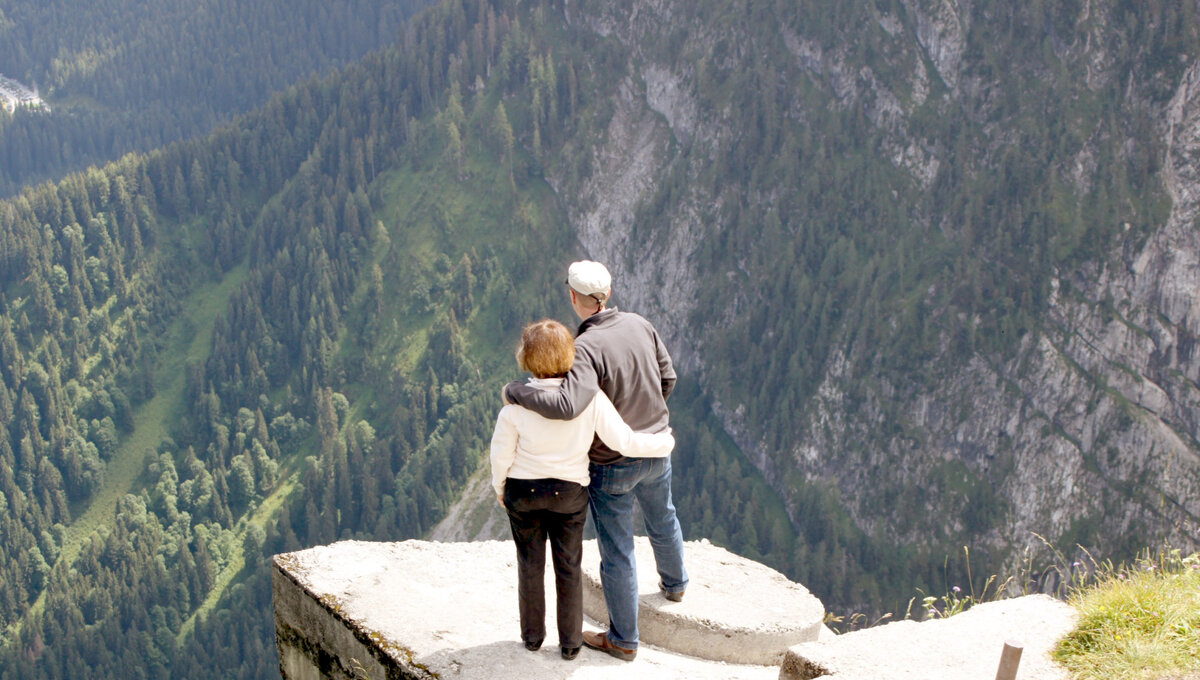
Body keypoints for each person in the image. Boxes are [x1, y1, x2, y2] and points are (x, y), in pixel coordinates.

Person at [502, 260, 687, 662]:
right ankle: (675, 584)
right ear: (609, 291)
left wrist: (515, 392)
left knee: (618, 551)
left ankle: (623, 639)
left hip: (612, 464)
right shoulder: (641, 324)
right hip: (654, 445)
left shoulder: (584, 347)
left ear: (572, 296)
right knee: (663, 515)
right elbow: (667, 378)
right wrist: (645, 419)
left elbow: (568, 404)